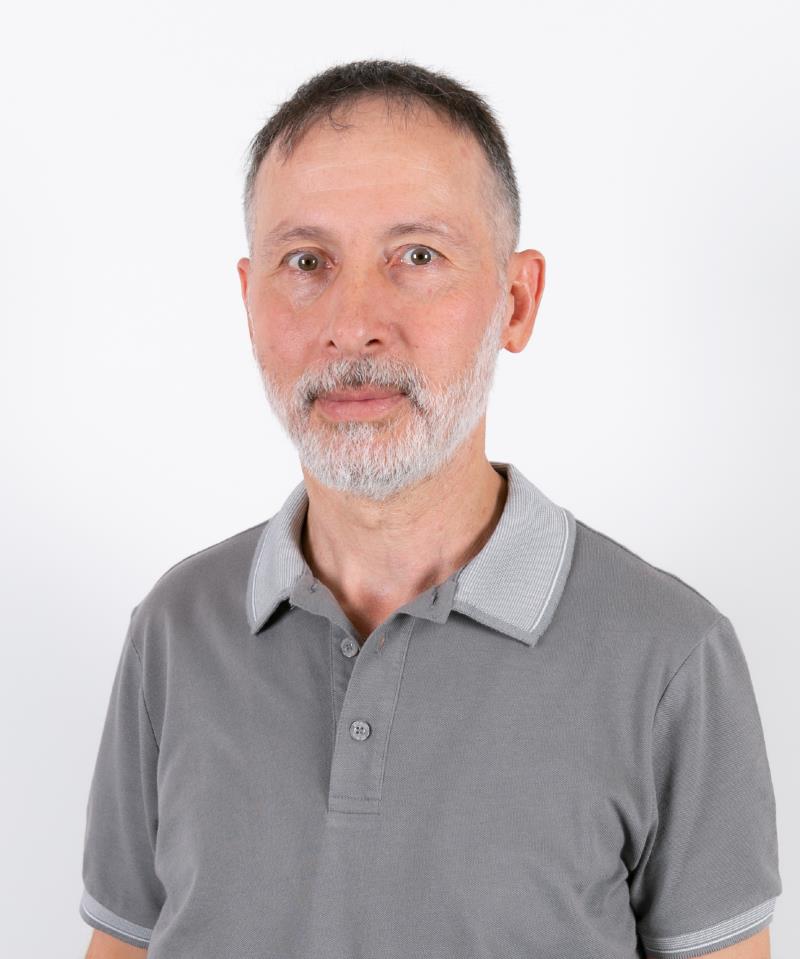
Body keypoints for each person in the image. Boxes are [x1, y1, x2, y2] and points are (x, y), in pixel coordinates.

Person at [79, 59, 781, 959]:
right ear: (249, 302)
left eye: (417, 256)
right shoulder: (176, 629)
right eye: (306, 262)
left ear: (517, 301)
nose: (353, 323)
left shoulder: (670, 656)